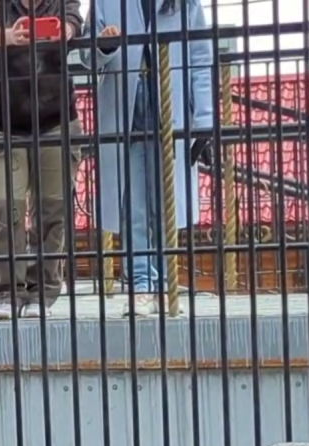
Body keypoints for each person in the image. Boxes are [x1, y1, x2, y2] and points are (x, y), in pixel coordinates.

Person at [84, 0, 213, 317]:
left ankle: (165, 281)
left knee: (165, 199)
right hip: (126, 104)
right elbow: (88, 55)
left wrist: (205, 122)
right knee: (134, 202)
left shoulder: (186, 5)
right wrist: (105, 46)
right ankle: (141, 284)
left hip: (171, 101)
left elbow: (200, 60)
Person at [0, 0, 83, 320]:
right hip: (2, 120)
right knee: (3, 204)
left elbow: (74, 20)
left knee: (54, 208)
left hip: (55, 116)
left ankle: (42, 291)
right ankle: (8, 292)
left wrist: (64, 30)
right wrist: (10, 36)